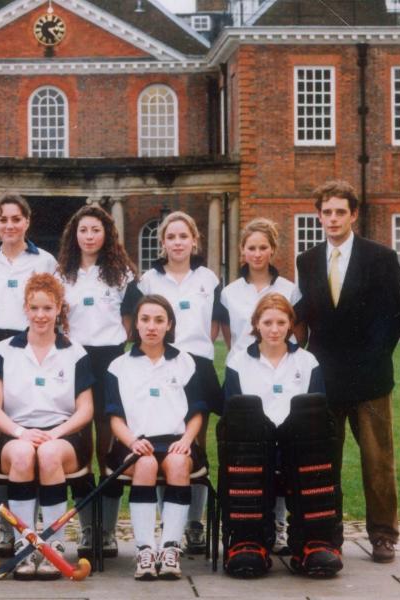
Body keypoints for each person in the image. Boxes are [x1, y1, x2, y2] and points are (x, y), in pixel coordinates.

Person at [292, 180, 400, 563]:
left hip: (371, 377)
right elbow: (307, 316)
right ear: (319, 215)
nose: (333, 218)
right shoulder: (307, 261)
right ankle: (329, 533)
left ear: (353, 214)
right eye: (327, 212)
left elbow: (395, 317)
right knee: (326, 461)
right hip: (325, 378)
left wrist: (370, 359)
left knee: (378, 462)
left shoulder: (380, 258)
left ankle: (383, 534)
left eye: (341, 211)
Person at [219, 293, 342, 578]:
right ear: (256, 325)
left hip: (298, 448)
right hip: (253, 448)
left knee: (310, 415)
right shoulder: (238, 362)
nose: (274, 329)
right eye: (267, 322)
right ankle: (247, 541)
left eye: (280, 322)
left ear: (290, 325)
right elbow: (232, 414)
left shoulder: (307, 361)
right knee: (244, 413)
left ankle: (313, 542)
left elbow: (318, 413)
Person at [0, 273, 94, 580]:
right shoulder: (4, 350)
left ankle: (52, 547)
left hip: (64, 434)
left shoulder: (75, 351)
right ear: (26, 309)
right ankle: (26, 544)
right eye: (35, 308)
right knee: (21, 455)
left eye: (47, 308)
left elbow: (86, 409)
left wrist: (55, 434)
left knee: (48, 455)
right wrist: (20, 433)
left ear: (58, 308)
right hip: (17, 432)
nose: (41, 315)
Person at [0, 194, 57, 557]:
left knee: (38, 438)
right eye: (3, 219)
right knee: (2, 445)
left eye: (16, 219)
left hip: (32, 345)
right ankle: (8, 529)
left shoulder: (44, 260)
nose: (9, 225)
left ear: (27, 221)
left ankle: (40, 528)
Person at [55, 204, 141, 559]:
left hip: (108, 359)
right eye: (83, 230)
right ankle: (85, 526)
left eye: (95, 230)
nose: (89, 236)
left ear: (107, 234)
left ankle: (106, 530)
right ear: (74, 236)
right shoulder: (64, 274)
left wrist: (114, 347)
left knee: (108, 449)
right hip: (74, 360)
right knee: (80, 445)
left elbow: (130, 321)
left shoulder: (120, 274)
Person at [136, 210, 224, 553]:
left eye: (183, 236)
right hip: (159, 363)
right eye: (170, 237)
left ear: (194, 240)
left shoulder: (208, 278)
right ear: (162, 243)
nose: (177, 243)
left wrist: (198, 350)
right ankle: (164, 520)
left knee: (192, 446)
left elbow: (215, 325)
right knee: (161, 439)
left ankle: (194, 523)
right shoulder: (149, 280)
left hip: (196, 366)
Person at [103, 295, 207, 580]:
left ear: (169, 325)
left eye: (159, 320)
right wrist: (132, 442)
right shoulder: (118, 365)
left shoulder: (185, 361)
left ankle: (170, 548)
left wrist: (187, 440)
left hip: (176, 440)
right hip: (134, 442)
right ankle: (145, 549)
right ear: (136, 324)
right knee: (146, 465)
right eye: (145, 319)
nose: (152, 326)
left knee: (176, 464)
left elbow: (197, 412)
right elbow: (115, 418)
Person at [216, 217, 296, 550]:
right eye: (252, 247)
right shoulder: (230, 292)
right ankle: (249, 522)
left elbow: (296, 335)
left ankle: (277, 524)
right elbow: (227, 335)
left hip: (279, 374)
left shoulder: (290, 289)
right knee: (247, 452)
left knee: (280, 448)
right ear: (242, 250)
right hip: (243, 373)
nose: (258, 253)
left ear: (273, 250)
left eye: (264, 247)